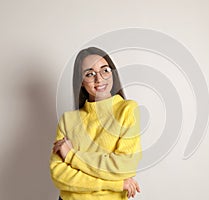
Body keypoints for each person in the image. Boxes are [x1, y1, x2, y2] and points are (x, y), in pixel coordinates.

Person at [49, 47, 142, 200]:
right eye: (90, 74)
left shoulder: (127, 110)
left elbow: (124, 166)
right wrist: (116, 184)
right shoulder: (68, 120)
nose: (99, 79)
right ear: (81, 82)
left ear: (113, 73)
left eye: (105, 70)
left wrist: (72, 156)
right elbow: (59, 175)